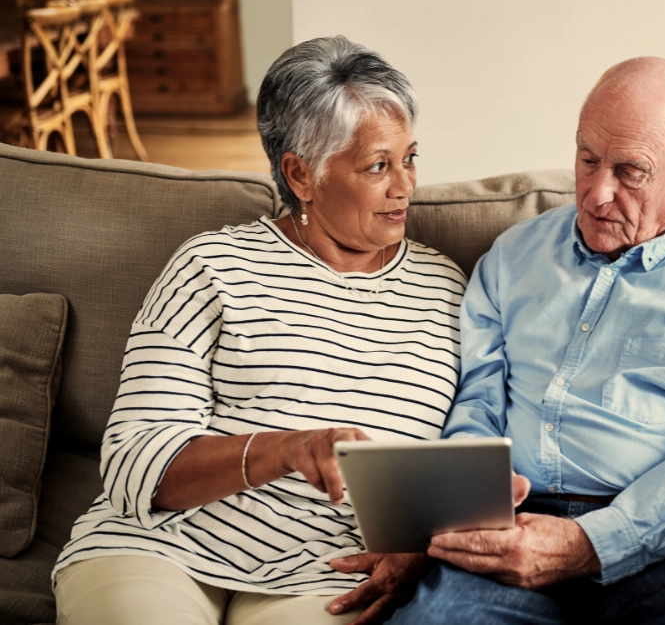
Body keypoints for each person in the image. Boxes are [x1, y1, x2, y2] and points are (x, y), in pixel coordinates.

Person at [52, 36, 468, 625]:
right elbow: (134, 462)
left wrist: (421, 541)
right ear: (301, 175)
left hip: (330, 568)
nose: (405, 186)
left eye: (410, 158)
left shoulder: (446, 286)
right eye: (378, 165)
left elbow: (474, 442)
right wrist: (285, 450)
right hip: (158, 547)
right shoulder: (211, 265)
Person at [391, 57, 665, 624]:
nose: (596, 193)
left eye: (630, 171)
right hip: (511, 527)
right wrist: (468, 505)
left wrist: (590, 543)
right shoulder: (513, 258)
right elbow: (477, 398)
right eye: (587, 159)